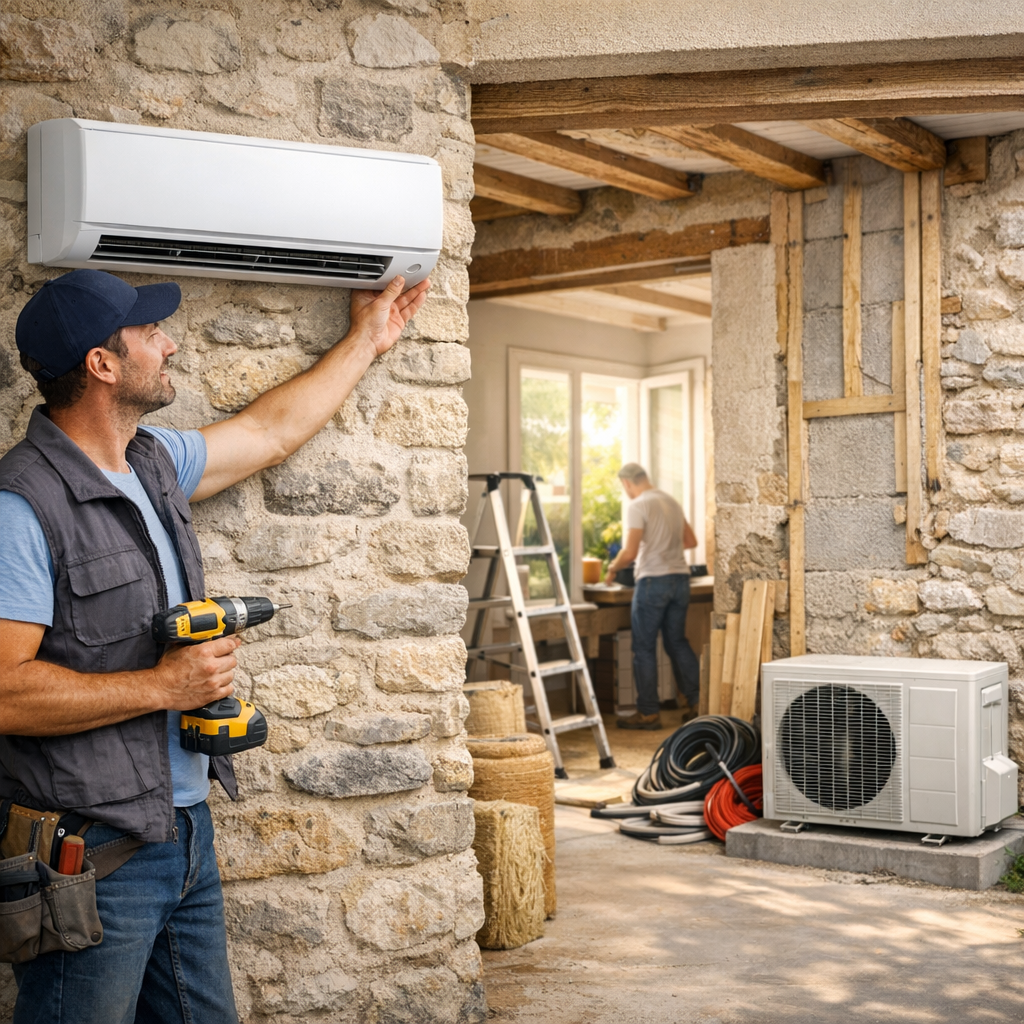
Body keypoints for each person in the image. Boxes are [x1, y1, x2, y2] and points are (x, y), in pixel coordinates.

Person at [0, 267, 429, 1023]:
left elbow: (270, 432)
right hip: (94, 854)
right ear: (102, 365)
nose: (171, 343)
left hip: (187, 827)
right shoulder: (21, 506)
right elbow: (5, 691)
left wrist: (368, 338)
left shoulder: (151, 461)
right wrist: (165, 687)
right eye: (149, 332)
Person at [604, 462, 700, 730]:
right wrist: (665, 546)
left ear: (627, 483)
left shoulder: (638, 505)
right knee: (677, 642)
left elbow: (631, 552)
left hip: (653, 581)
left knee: (644, 647)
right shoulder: (671, 502)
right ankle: (697, 704)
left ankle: (648, 713)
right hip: (680, 579)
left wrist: (612, 569)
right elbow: (691, 541)